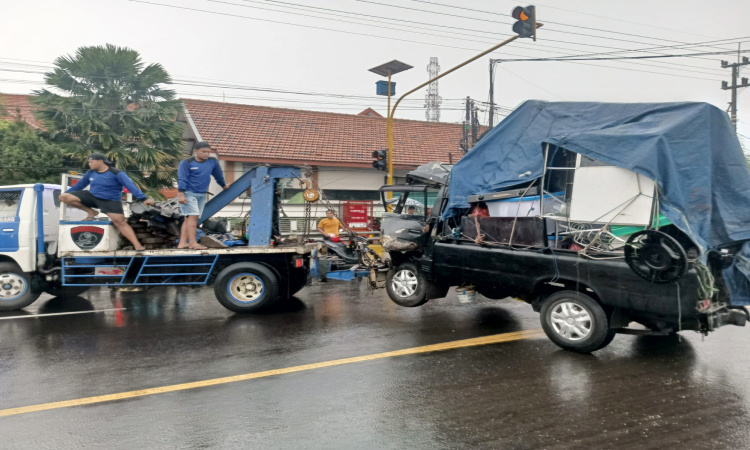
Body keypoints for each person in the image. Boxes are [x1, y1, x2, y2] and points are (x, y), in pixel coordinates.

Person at [60, 153, 155, 251]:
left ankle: (137, 245)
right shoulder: (90, 173)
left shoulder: (117, 173)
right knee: (65, 197)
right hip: (92, 196)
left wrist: (143, 198)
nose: (89, 164)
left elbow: (130, 186)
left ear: (100, 161)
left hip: (110, 200)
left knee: (120, 222)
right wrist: (65, 194)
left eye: (91, 162)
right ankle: (91, 212)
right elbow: (79, 186)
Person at [177, 141, 228, 249]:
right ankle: (192, 243)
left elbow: (218, 174)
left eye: (208, 152)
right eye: (203, 152)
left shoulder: (212, 162)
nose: (206, 154)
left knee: (188, 219)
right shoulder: (186, 163)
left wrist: (223, 185)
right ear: (196, 151)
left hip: (202, 194)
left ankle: (182, 243)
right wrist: (181, 194)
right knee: (193, 216)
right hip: (188, 193)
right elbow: (182, 178)